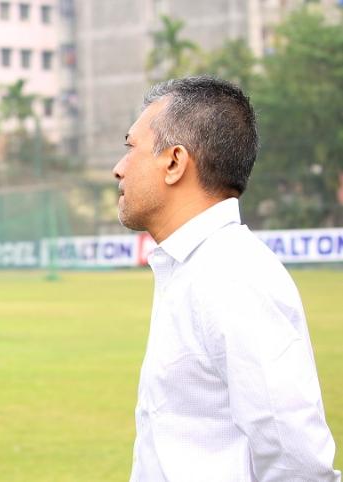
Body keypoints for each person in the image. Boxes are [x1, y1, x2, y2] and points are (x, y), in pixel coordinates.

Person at [114, 76, 340, 481]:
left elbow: (297, 461)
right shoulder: (193, 267)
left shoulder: (230, 276)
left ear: (174, 162)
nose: (119, 169)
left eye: (131, 148)